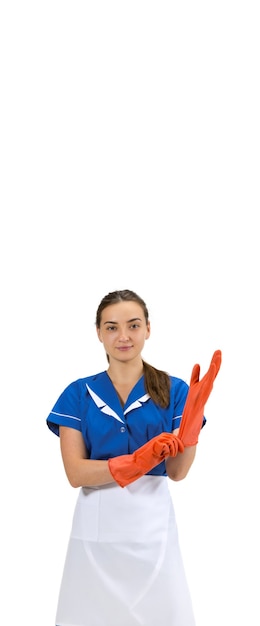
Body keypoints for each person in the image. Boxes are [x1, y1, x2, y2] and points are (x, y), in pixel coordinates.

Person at [46, 289, 221, 626]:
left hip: (153, 533)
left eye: (133, 325)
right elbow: (75, 473)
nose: (123, 336)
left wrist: (190, 431)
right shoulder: (78, 394)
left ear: (148, 329)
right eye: (111, 327)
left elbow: (177, 472)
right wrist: (136, 462)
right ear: (98, 333)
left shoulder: (174, 391)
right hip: (95, 540)